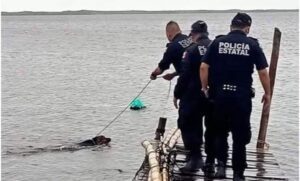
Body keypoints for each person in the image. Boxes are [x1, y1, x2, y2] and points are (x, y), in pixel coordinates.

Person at [200, 13, 271, 181]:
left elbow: (203, 67)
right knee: (240, 136)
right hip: (241, 98)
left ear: (231, 26)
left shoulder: (217, 43)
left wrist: (204, 88)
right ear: (247, 28)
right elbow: (262, 72)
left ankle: (221, 167)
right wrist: (267, 93)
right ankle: (238, 174)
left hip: (219, 96)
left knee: (219, 132)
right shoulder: (252, 45)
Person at [173, 20, 212, 172]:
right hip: (212, 94)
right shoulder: (214, 46)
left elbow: (185, 75)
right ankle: (211, 162)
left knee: (186, 124)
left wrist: (177, 94)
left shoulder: (191, 50)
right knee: (212, 127)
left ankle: (195, 158)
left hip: (193, 94)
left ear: (194, 34)